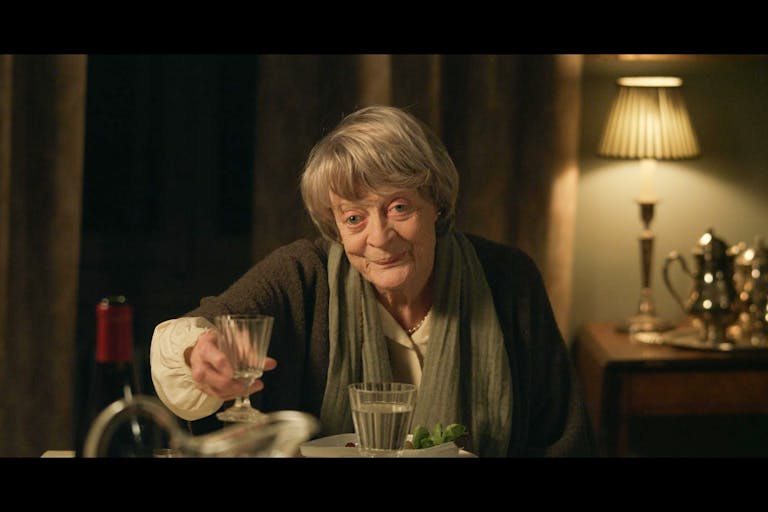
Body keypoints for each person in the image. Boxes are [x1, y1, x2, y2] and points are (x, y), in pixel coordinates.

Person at [150, 105, 595, 457]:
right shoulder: (303, 274)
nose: (379, 238)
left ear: (436, 203)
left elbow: (562, 441)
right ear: (335, 226)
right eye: (354, 217)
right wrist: (198, 352)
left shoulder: (508, 279)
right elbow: (195, 330)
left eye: (399, 207)